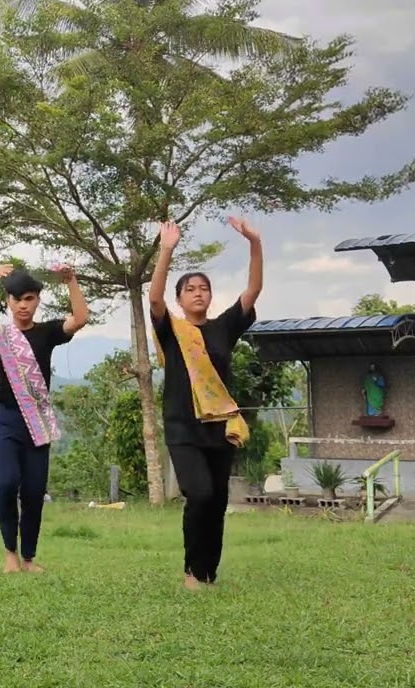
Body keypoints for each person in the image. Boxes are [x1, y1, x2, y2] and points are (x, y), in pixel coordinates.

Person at [148, 217, 262, 590]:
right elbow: (153, 298)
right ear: (180, 299)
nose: (198, 293)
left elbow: (253, 291)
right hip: (183, 427)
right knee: (199, 494)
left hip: (221, 426)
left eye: (204, 289)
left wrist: (254, 243)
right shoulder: (172, 331)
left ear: (210, 296)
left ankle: (208, 573)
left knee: (217, 502)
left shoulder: (222, 328)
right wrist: (166, 250)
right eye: (190, 289)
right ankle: (190, 571)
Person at [0, 264, 89, 573]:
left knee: (34, 491)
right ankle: (10, 553)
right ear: (8, 300)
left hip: (38, 421)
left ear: (37, 300)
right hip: (6, 420)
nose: (23, 305)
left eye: (30, 298)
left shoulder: (47, 333)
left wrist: (71, 280)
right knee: (7, 484)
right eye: (17, 299)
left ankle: (29, 558)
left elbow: (80, 319)